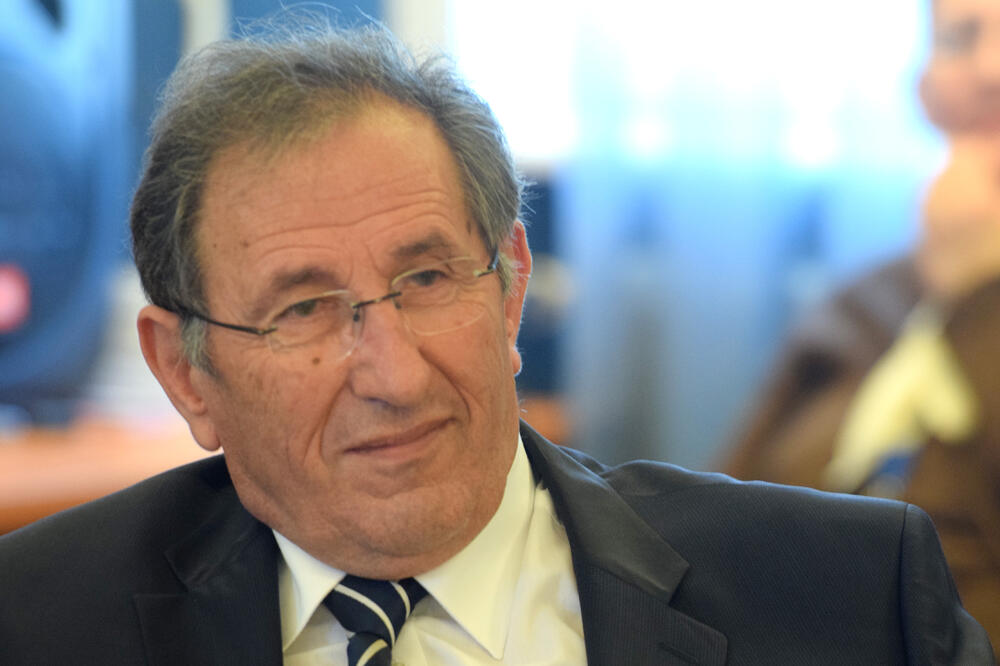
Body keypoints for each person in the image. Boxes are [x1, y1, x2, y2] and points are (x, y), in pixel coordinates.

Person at [0, 21, 994, 666]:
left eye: (427, 280)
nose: (395, 376)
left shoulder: (852, 599)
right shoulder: (37, 622)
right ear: (186, 374)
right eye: (302, 310)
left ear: (511, 285)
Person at [718, 0, 1000, 655]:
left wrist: (979, 298)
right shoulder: (864, 303)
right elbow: (714, 518)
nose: (991, 68)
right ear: (925, 91)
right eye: (962, 38)